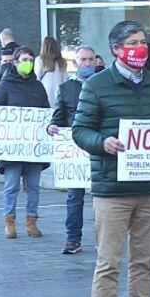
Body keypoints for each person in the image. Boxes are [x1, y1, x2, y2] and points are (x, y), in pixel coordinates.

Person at [73, 21, 150, 297]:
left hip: (149, 186)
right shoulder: (97, 85)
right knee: (108, 261)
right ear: (117, 49)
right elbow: (80, 130)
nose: (140, 48)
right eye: (133, 43)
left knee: (144, 260)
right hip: (112, 188)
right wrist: (102, 142)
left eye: (143, 42)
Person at [0, 46, 50, 239]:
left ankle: (32, 221)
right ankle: (9, 222)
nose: (28, 63)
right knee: (11, 185)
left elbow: (46, 113)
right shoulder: (4, 86)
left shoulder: (38, 86)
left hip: (33, 147)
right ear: (15, 62)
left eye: (31, 60)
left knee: (34, 186)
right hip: (13, 148)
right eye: (24, 59)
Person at [48, 45, 98, 255]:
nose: (87, 63)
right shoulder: (67, 88)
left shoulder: (104, 84)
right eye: (83, 60)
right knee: (74, 196)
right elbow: (59, 115)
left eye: (90, 59)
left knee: (102, 198)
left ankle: (103, 238)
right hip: (75, 149)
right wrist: (51, 126)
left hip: (99, 144)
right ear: (76, 63)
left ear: (96, 61)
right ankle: (73, 238)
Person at [35, 36, 68, 108]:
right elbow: (65, 80)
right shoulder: (62, 62)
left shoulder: (40, 60)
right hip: (59, 93)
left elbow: (37, 78)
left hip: (44, 92)